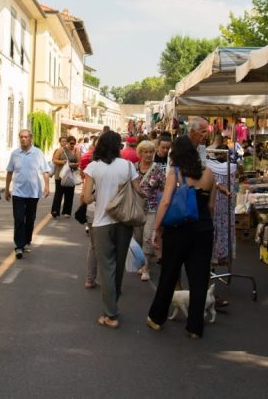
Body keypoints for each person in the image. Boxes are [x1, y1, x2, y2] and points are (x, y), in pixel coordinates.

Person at [146, 135, 216, 339]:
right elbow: (211, 206)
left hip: (178, 231)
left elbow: (166, 202)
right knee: (199, 278)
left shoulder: (175, 173)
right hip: (203, 230)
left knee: (169, 275)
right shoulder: (209, 173)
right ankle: (195, 327)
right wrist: (206, 226)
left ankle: (156, 318)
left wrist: (156, 229)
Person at [82, 130, 138, 328]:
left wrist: (98, 194)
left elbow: (86, 198)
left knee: (107, 267)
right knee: (119, 265)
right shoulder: (128, 166)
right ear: (118, 146)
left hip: (102, 223)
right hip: (124, 221)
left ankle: (110, 314)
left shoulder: (93, 167)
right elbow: (138, 190)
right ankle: (113, 305)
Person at [4, 129, 51, 259]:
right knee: (19, 219)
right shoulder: (15, 154)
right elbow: (9, 172)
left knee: (30, 219)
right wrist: (7, 189)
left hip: (33, 192)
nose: (23, 139)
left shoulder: (38, 153)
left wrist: (46, 186)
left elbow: (45, 171)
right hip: (18, 192)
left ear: (31, 138)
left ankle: (26, 240)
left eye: (26, 137)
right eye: (21, 137)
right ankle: (19, 246)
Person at [134, 139, 164, 282]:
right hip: (137, 207)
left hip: (152, 207)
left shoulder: (157, 168)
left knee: (147, 237)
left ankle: (146, 268)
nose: (148, 155)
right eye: (145, 152)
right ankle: (141, 262)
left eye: (151, 152)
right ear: (140, 153)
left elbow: (164, 188)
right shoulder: (133, 167)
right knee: (138, 238)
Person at [51, 136, 79, 218]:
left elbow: (79, 162)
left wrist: (74, 164)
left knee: (69, 194)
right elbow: (54, 160)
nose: (72, 145)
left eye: (74, 143)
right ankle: (55, 211)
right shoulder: (61, 150)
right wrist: (62, 162)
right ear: (67, 143)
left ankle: (67, 212)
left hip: (71, 175)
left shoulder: (76, 151)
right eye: (71, 143)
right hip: (60, 175)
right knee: (58, 194)